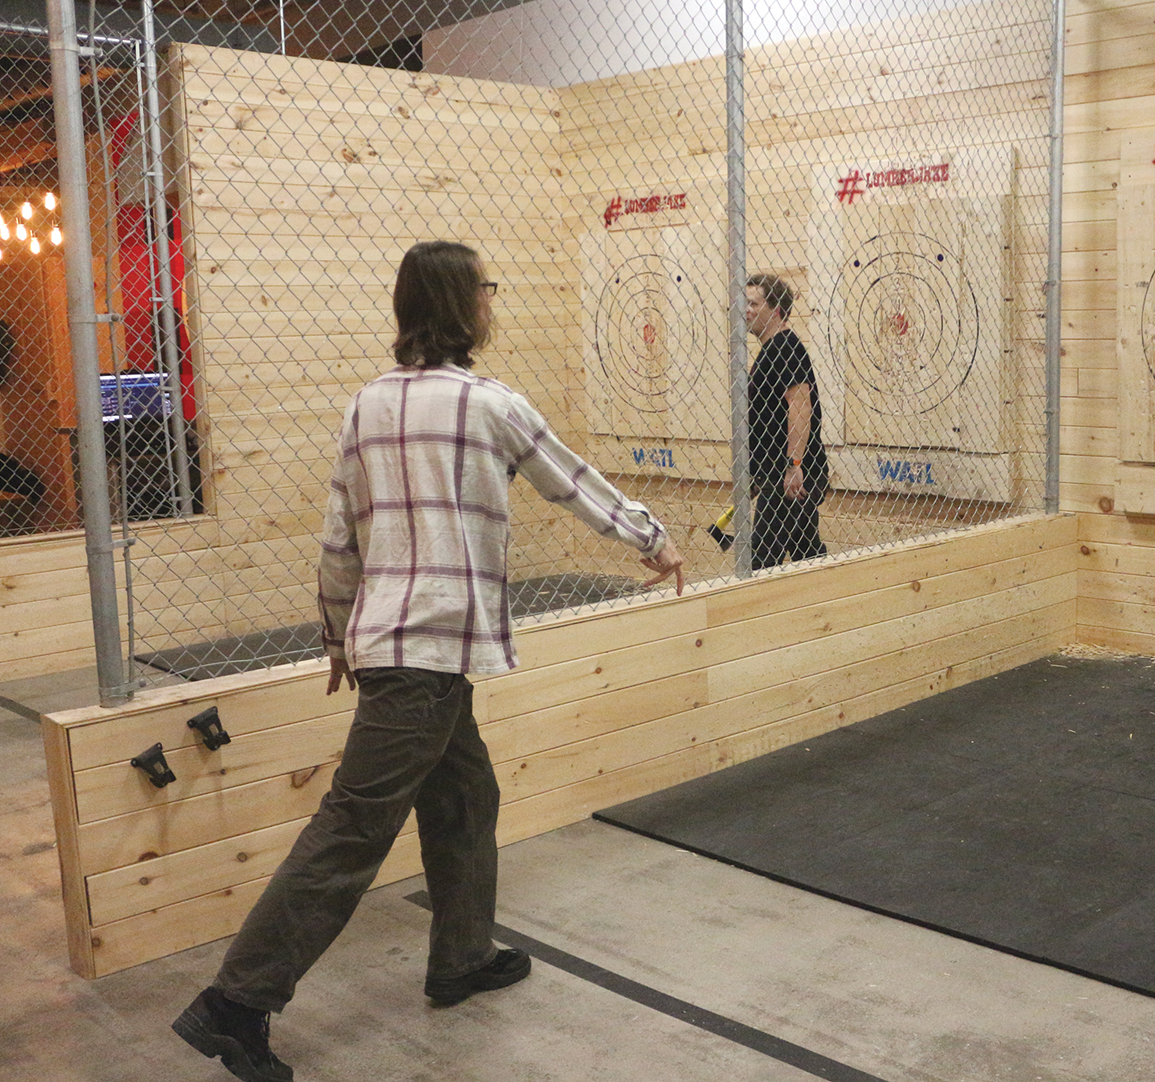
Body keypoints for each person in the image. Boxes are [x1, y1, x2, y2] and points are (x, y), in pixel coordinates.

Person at [172, 241, 684, 1082]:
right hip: (429, 655)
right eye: (487, 286)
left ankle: (460, 958)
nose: (494, 298)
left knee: (464, 791)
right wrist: (653, 540)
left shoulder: (368, 406)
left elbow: (340, 535)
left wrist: (338, 636)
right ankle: (235, 1003)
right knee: (352, 829)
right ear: (461, 304)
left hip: (390, 649)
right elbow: (573, 483)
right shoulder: (491, 403)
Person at [745, 273, 827, 570]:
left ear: (777, 310)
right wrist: (757, 475)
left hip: (790, 477)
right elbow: (768, 419)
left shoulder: (785, 348)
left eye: (754, 303)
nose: (746, 310)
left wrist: (794, 466)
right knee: (808, 552)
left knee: (762, 562)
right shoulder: (771, 350)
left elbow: (800, 406)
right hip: (780, 474)